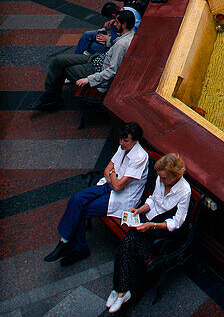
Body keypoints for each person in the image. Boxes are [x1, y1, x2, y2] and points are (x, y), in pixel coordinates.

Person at [45, 122, 149, 267]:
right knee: (76, 199)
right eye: (120, 139)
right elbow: (108, 170)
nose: (121, 143)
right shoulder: (123, 147)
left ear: (135, 140)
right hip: (107, 186)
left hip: (123, 197)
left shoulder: (140, 157)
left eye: (125, 140)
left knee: (81, 210)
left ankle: (78, 248)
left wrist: (112, 176)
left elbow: (119, 187)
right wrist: (114, 177)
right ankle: (64, 241)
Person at [104, 153, 191, 314]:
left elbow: (177, 223)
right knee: (128, 248)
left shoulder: (184, 191)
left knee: (127, 246)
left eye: (164, 178)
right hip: (147, 223)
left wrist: (152, 226)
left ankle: (120, 290)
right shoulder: (160, 179)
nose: (161, 180)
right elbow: (152, 200)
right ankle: (124, 292)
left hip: (161, 234)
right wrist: (139, 210)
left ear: (174, 176)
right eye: (160, 177)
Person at [34, 9, 137, 112]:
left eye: (117, 22)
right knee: (59, 60)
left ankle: (51, 98)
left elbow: (111, 71)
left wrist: (88, 79)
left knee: (63, 69)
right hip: (96, 59)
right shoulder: (128, 35)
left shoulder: (121, 45)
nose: (115, 24)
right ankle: (51, 96)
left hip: (94, 69)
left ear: (124, 25)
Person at [74, 2, 140, 57]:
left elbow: (125, 35)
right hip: (112, 34)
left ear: (113, 15)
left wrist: (108, 39)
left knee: (93, 47)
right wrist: (113, 22)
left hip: (113, 40)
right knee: (87, 35)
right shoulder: (126, 10)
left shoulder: (130, 18)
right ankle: (76, 57)